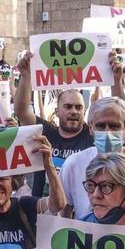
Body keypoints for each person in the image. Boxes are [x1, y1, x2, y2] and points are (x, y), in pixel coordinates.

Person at [15, 52, 94, 197]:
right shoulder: (46, 133)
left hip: (79, 214)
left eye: (78, 107)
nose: (74, 111)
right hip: (45, 211)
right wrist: (26, 76)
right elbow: (21, 112)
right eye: (68, 107)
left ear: (85, 110)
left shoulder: (93, 136)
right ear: (57, 111)